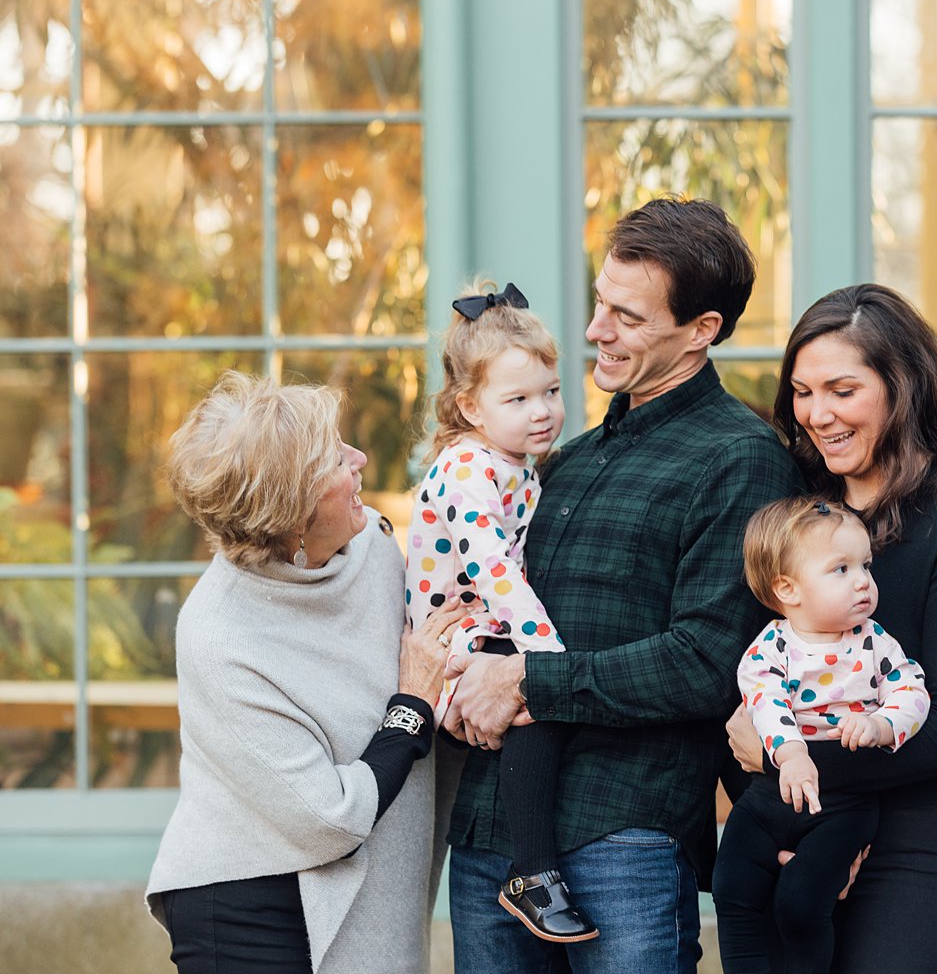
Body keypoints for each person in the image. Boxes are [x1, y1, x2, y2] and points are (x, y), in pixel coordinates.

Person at [440, 196, 804, 973]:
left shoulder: (741, 459)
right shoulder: (559, 462)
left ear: (702, 329)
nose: (596, 331)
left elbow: (707, 662)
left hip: (623, 836)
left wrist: (530, 683)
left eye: (627, 317)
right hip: (488, 830)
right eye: (600, 303)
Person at [727, 282, 937, 973]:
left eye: (841, 390)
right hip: (805, 820)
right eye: (802, 392)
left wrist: (785, 763)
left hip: (930, 833)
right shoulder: (794, 507)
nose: (817, 414)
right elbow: (754, 673)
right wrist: (794, 819)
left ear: (903, 386)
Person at [146, 371, 468, 973]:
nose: (360, 458)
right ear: (291, 513)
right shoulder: (219, 637)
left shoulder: (372, 547)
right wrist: (413, 703)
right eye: (335, 459)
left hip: (358, 882)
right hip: (248, 912)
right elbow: (329, 817)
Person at [405, 278, 596, 943]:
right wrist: (546, 655)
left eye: (550, 392)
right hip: (455, 640)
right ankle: (532, 871)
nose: (542, 412)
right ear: (471, 406)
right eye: (517, 399)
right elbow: (492, 569)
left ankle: (535, 866)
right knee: (536, 708)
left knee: (534, 703)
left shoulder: (515, 462)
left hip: (488, 631)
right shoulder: (468, 468)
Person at [713, 497, 930, 974]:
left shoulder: (874, 642)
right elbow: (764, 700)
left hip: (843, 807)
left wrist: (880, 724)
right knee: (732, 890)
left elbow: (913, 691)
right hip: (771, 797)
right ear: (787, 589)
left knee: (802, 901)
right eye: (841, 569)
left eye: (865, 565)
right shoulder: (772, 646)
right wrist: (790, 754)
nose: (863, 581)